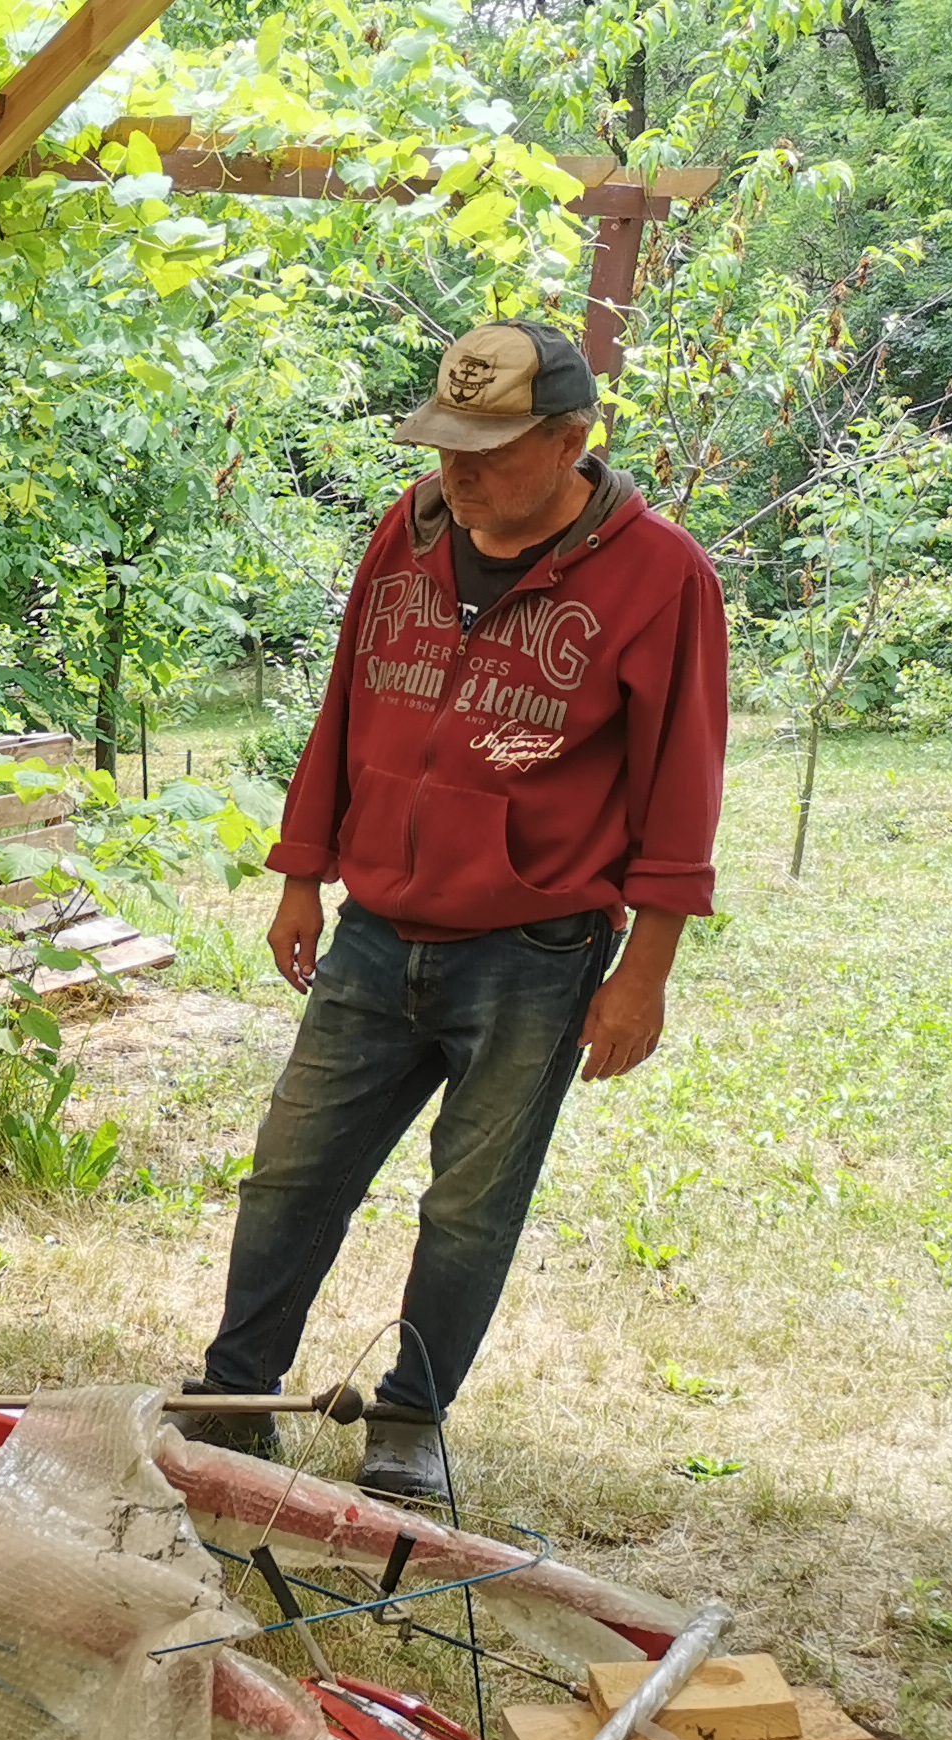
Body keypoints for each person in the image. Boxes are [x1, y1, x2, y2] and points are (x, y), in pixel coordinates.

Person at [178, 320, 727, 1502]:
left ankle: (410, 1417)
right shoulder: (411, 530)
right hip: (376, 932)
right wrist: (302, 870)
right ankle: (234, 1395)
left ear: (571, 441)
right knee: (291, 1174)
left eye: (489, 452)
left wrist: (645, 971)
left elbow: (681, 782)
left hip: (536, 951)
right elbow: (348, 700)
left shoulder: (661, 574)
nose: (458, 474)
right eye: (445, 447)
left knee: (471, 1206)